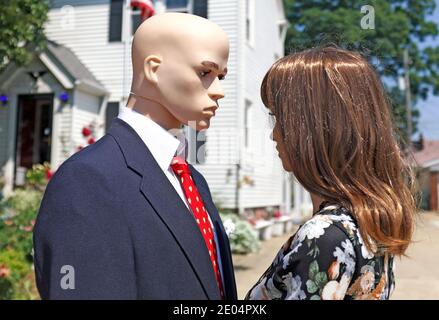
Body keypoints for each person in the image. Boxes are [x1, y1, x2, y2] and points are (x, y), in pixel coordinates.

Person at [33, 13, 237, 300]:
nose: (219, 91)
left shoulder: (192, 180)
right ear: (153, 69)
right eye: (205, 73)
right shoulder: (87, 181)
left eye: (221, 76)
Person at [246, 46, 417, 300]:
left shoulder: (324, 235)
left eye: (280, 117)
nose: (274, 134)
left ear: (314, 130)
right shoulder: (368, 223)